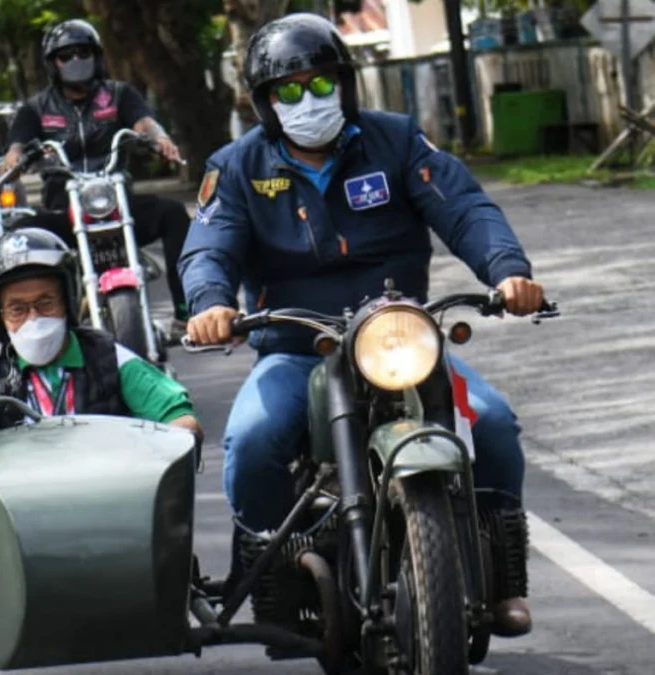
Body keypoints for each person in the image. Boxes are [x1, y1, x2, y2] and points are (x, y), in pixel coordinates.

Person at [177, 13, 544, 636]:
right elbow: (208, 246)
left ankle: (502, 578)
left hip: (400, 337)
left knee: (497, 425)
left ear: (345, 85)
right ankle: (271, 561)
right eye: (288, 90)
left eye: (322, 83)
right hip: (298, 347)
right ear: (265, 101)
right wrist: (211, 302)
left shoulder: (396, 140)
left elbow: (465, 208)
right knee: (253, 440)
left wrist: (508, 271)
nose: (308, 99)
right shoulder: (238, 165)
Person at [1, 19, 192, 340]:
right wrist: (14, 161)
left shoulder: (118, 95)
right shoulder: (35, 108)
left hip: (118, 201)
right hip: (65, 208)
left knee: (174, 215)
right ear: (53, 64)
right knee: (17, 237)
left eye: (84, 53)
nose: (76, 61)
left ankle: (187, 313)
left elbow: (144, 122)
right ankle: (23, 331)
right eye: (67, 55)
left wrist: (160, 140)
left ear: (97, 56)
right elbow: (16, 146)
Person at [0, 228, 202, 445]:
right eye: (17, 309)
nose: (33, 318)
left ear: (67, 302)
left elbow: (180, 418)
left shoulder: (112, 360)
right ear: (0, 317)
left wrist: (173, 441)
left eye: (46, 302)